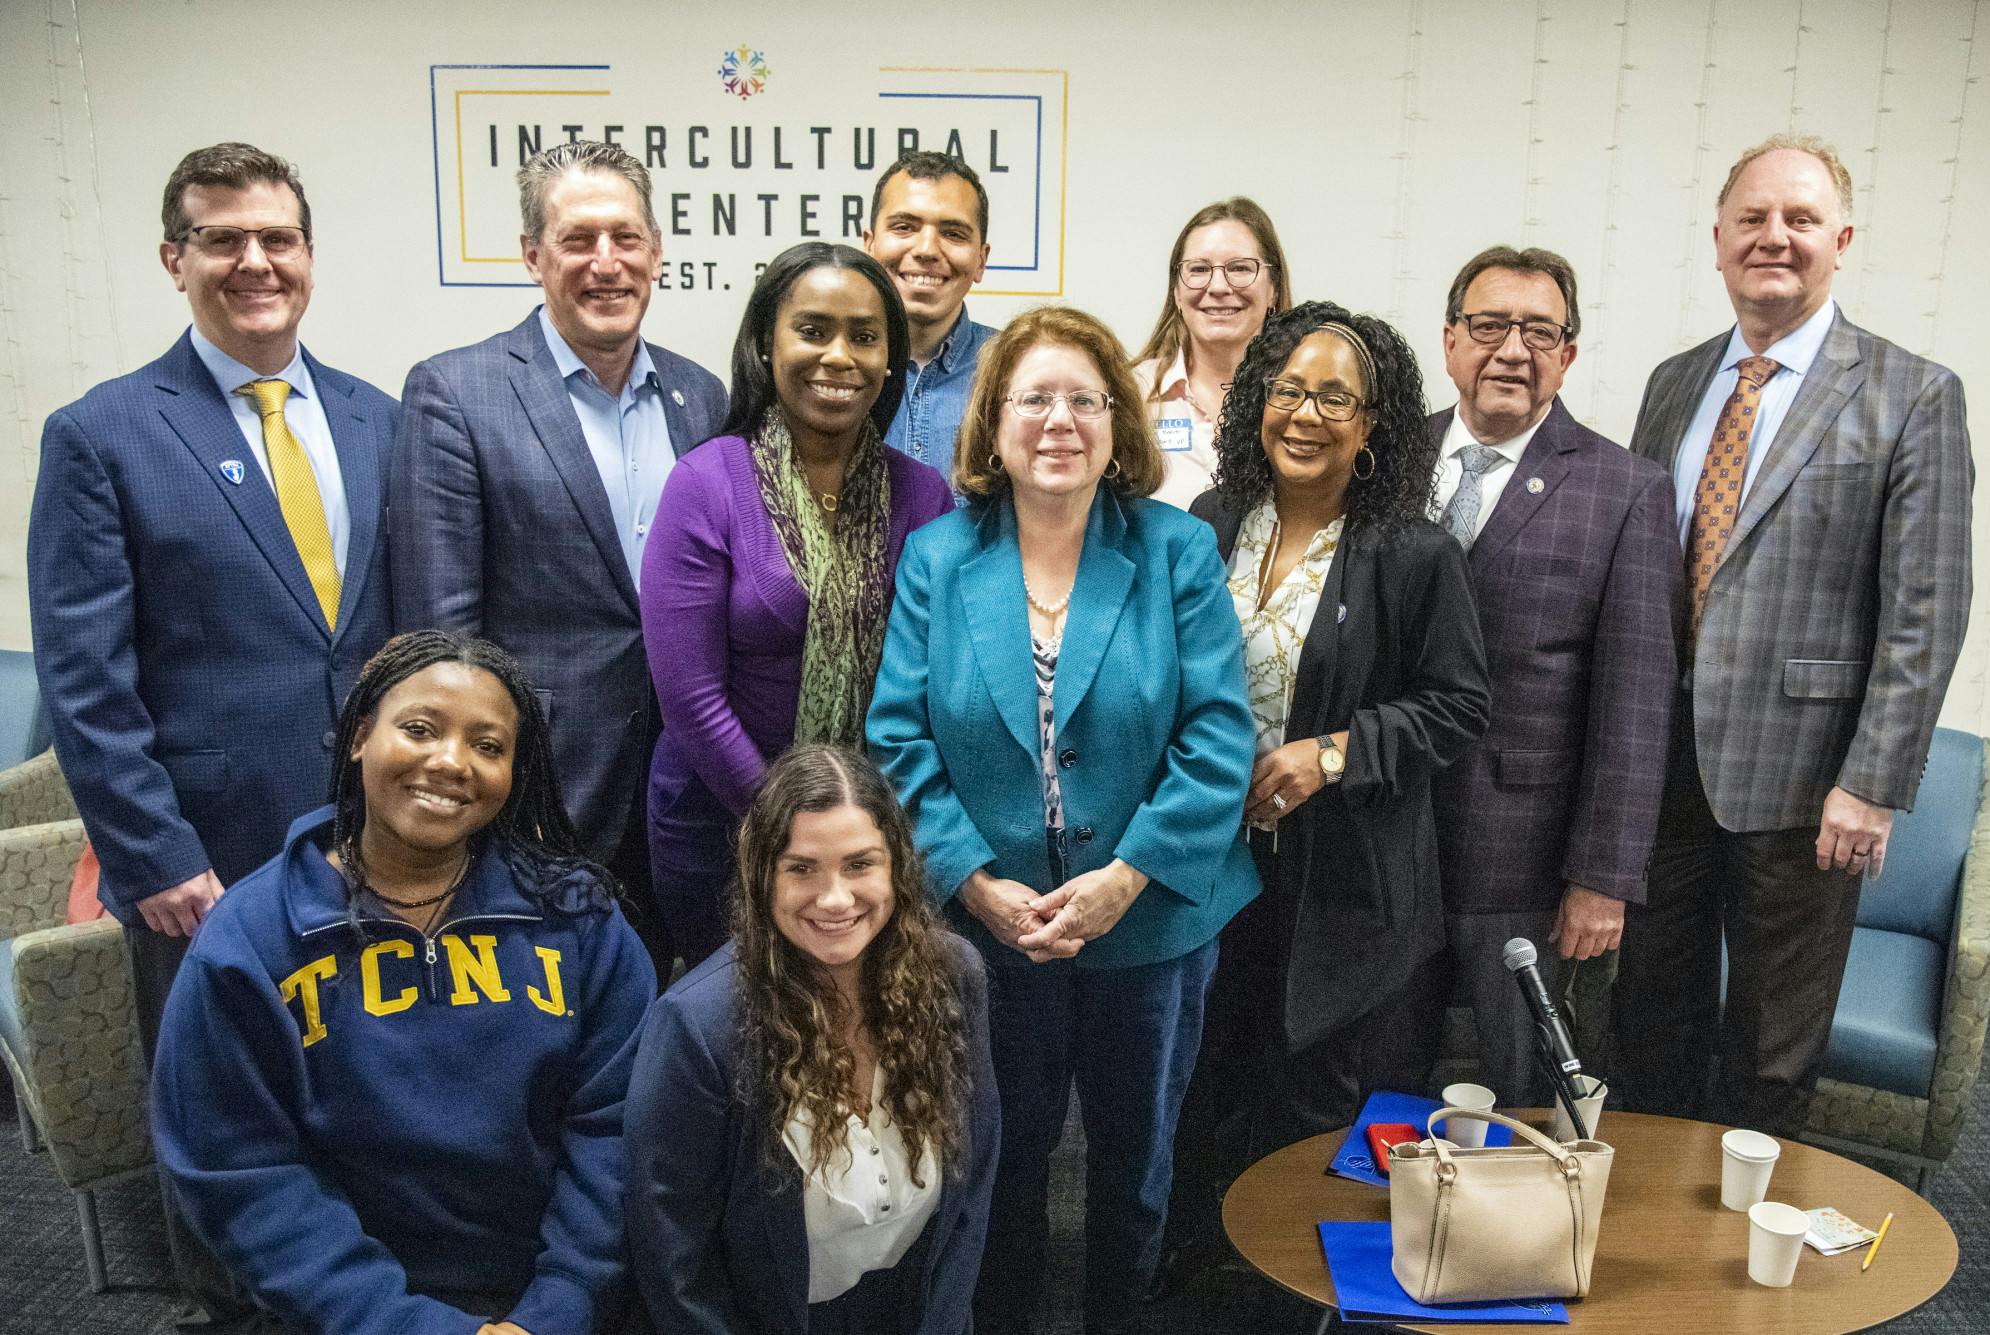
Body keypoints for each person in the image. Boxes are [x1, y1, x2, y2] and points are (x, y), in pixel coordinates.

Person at [26, 141, 396, 1319]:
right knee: (224, 1124)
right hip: (207, 859)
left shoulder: (380, 419)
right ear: (173, 259)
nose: (254, 262)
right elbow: (86, 682)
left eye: (276, 239)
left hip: (378, 847)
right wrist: (155, 859)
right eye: (222, 240)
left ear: (308, 256)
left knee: (372, 1102)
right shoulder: (104, 434)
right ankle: (225, 1312)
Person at [867, 306, 1260, 1335]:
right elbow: (897, 739)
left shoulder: (1174, 549)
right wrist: (972, 885)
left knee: (1135, 1170)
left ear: (1117, 423)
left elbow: (1218, 735)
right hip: (991, 936)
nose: (1058, 421)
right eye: (1032, 398)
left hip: (1151, 928)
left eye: (1082, 399)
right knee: (999, 1168)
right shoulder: (938, 560)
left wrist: (1124, 876)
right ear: (991, 423)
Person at [1614, 133, 1975, 1138]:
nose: (1773, 237)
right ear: (1718, 241)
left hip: (1804, 780)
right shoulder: (1673, 383)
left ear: (1838, 240)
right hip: (1660, 773)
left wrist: (1869, 782)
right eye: (1752, 219)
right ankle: (1639, 1249)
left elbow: (1926, 609)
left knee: (1770, 1053)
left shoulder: (1912, 394)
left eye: (1799, 219)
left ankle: (1730, 1271)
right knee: (1645, 1027)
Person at [150, 631, 655, 1334]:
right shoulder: (249, 941)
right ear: (359, 737)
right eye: (419, 728)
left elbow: (615, 1131)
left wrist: (560, 1305)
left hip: (549, 1297)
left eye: (488, 745)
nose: (451, 761)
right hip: (342, 1308)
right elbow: (242, 1173)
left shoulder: (581, 920)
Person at [1166, 302, 1490, 1277]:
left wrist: (1332, 753)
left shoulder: (1411, 552)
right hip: (1212, 877)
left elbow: (1460, 705)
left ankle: (1297, 1297)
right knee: (1199, 1094)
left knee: (1311, 1119)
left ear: (1372, 423)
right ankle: (1189, 1286)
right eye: (1287, 390)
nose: (1304, 414)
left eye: (1334, 397)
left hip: (1343, 894)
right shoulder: (1211, 521)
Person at [390, 140, 726, 978]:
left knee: (670, 1033)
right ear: (534, 257)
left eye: (626, 238)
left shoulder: (704, 396)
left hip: (685, 793)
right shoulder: (457, 394)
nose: (605, 263)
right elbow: (442, 639)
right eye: (578, 241)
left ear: (657, 252)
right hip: (541, 794)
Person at [641, 243, 954, 970]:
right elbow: (690, 698)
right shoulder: (707, 482)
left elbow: (927, 684)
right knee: (741, 1046)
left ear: (891, 358)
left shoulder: (924, 495)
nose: (839, 356)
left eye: (865, 336)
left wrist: (854, 840)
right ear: (765, 344)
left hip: (873, 842)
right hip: (722, 824)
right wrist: (799, 832)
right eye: (813, 330)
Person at [625, 744, 999, 1335]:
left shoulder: (954, 975)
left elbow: (970, 1195)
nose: (834, 898)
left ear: (897, 865)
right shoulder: (696, 1029)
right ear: (762, 876)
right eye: (802, 868)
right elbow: (676, 1262)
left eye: (859, 865)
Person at [1425, 246, 1680, 1107]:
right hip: (1384, 847)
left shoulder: (1627, 489)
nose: (1511, 349)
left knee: (1523, 1093)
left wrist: (1603, 876)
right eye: (1490, 325)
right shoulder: (1382, 461)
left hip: (1521, 865)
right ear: (1451, 339)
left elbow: (1636, 703)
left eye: (1540, 330)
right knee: (1374, 1085)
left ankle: (1519, 1247)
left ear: (1567, 355)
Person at [1129, 198, 1293, 510]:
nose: (1218, 286)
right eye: (1200, 269)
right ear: (1177, 291)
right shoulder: (1130, 393)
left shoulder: (1305, 400)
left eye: (1240, 268)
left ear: (1273, 288)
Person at [862, 151, 996, 483]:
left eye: (953, 233)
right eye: (904, 227)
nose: (926, 250)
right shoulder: (827, 371)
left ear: (981, 260)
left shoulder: (1016, 369)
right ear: (869, 245)